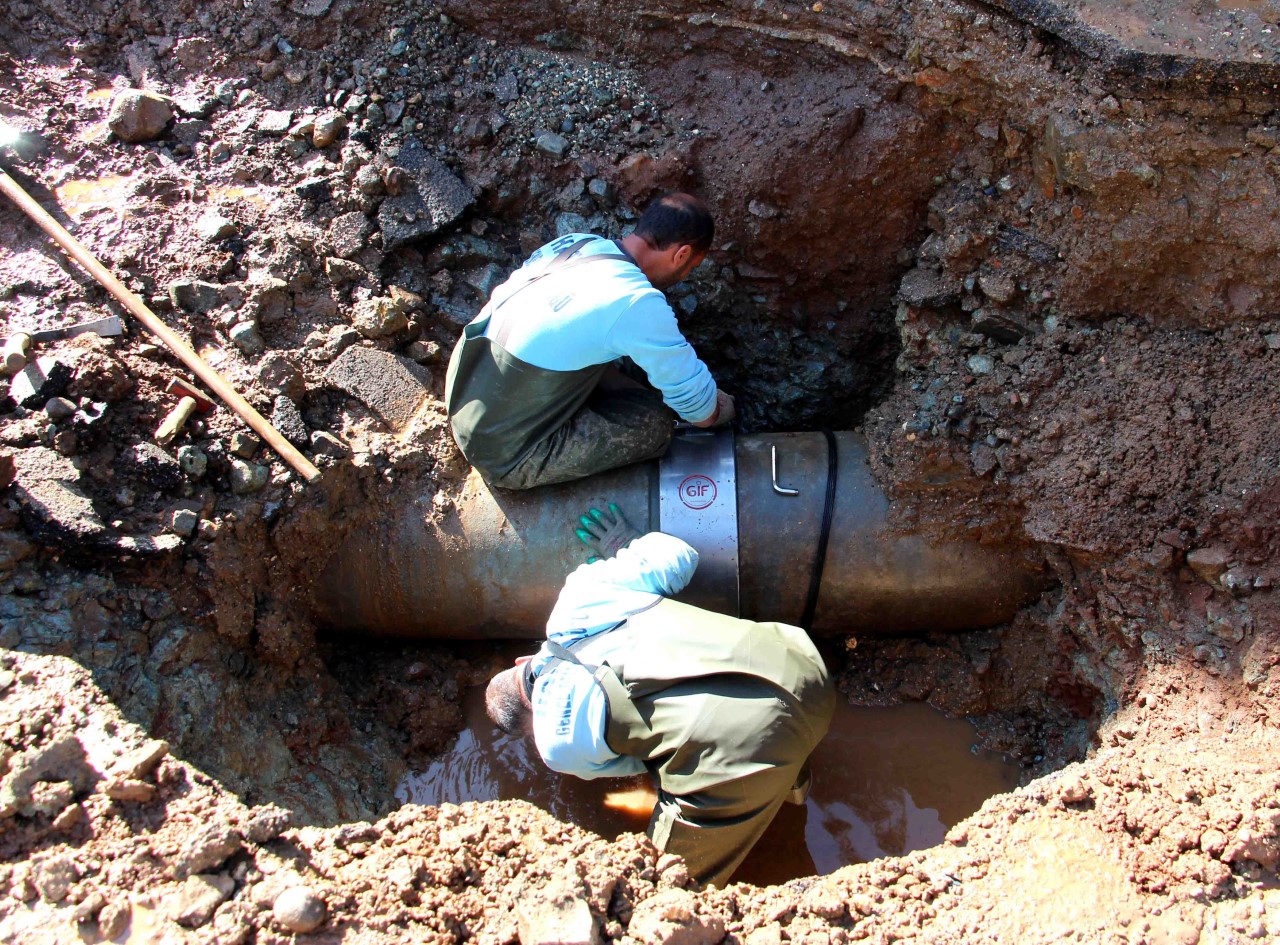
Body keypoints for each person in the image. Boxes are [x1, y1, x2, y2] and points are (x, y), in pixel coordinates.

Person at [484, 503, 834, 887]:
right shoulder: (577, 600)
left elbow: (644, 765)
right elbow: (679, 556)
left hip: (745, 753)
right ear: (523, 660)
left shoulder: (554, 749)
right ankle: (794, 791)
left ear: (530, 727)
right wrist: (623, 545)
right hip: (804, 670)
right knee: (756, 723)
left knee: (661, 885)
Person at [445, 192, 735, 490]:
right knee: (655, 425)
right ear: (682, 255)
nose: (686, 274)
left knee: (627, 358)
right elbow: (700, 414)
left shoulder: (579, 243)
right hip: (503, 452)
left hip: (466, 394)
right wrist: (724, 410)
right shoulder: (635, 300)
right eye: (692, 266)